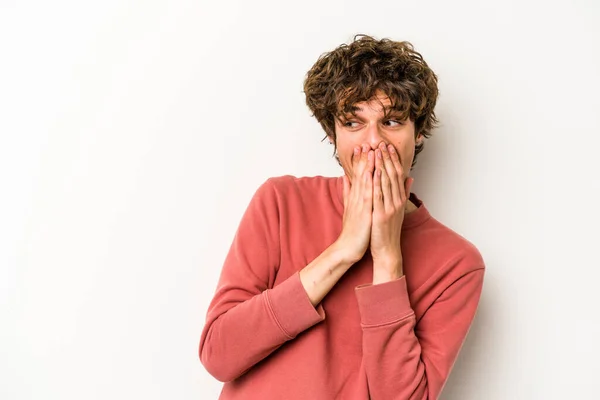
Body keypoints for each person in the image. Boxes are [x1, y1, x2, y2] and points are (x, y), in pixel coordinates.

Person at [198, 34, 485, 400]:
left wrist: (387, 258)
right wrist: (345, 249)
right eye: (353, 123)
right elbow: (219, 355)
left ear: (418, 132)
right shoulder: (281, 202)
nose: (373, 142)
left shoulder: (457, 264)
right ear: (332, 133)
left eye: (393, 121)